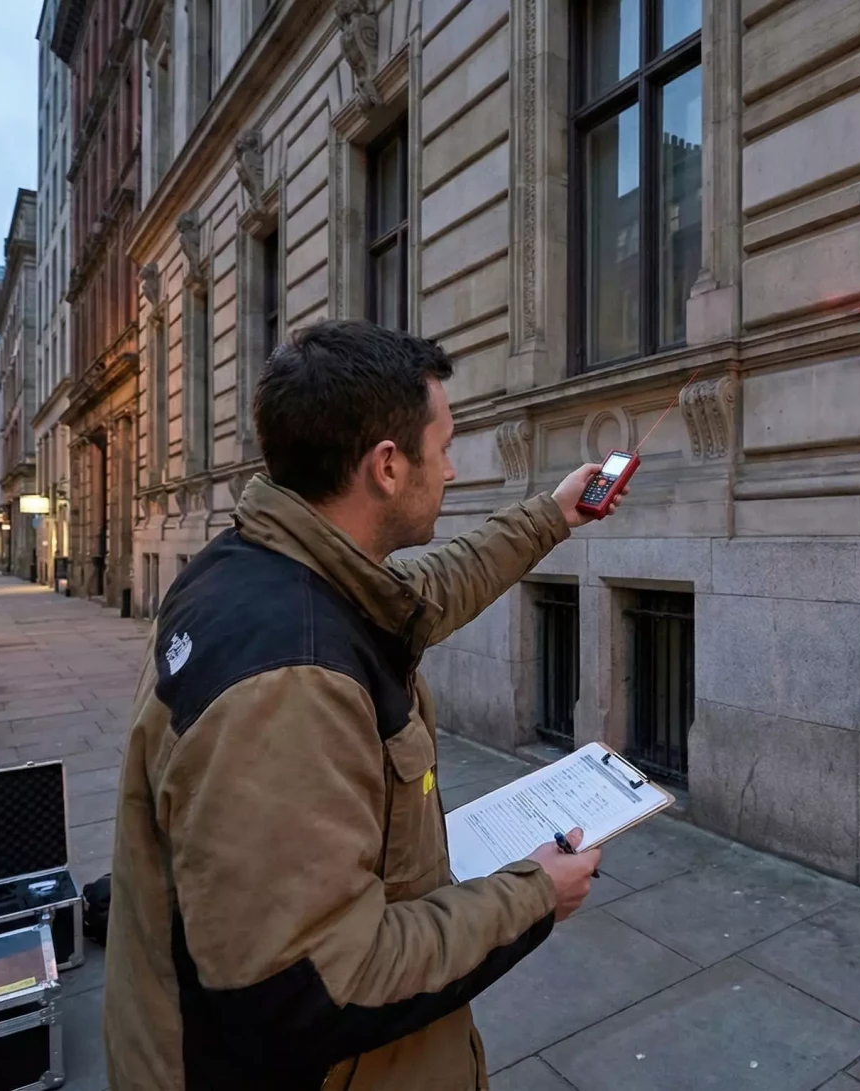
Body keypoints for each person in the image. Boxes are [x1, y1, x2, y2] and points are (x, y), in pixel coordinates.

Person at [103, 320, 617, 1090]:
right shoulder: (291, 681)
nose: (450, 469)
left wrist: (554, 514)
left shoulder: (270, 560)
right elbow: (320, 982)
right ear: (386, 466)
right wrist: (535, 894)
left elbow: (426, 590)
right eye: (443, 447)